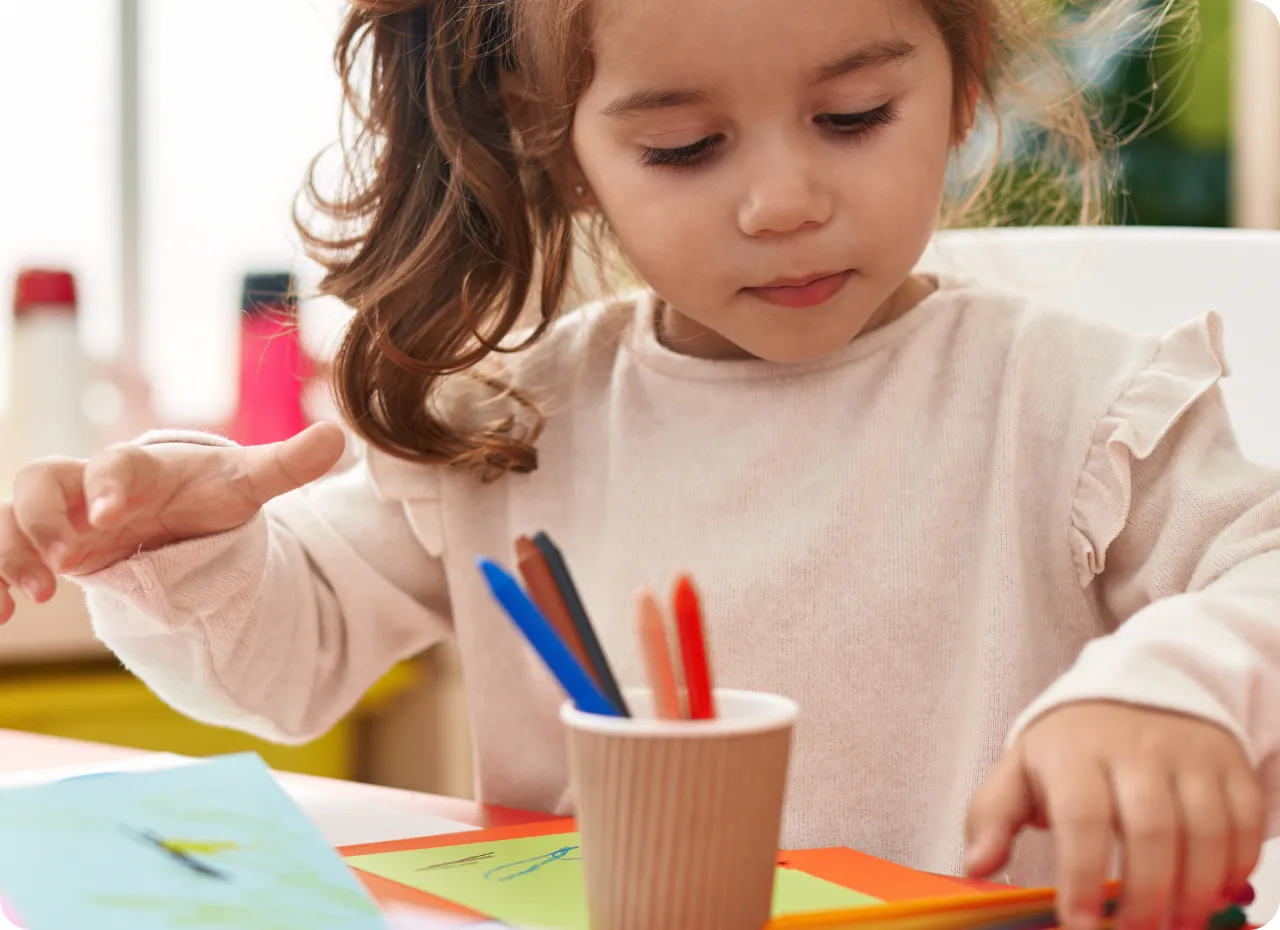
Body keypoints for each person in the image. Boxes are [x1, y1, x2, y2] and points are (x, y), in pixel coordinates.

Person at [3, 0, 1278, 927]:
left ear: (960, 82)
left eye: (851, 117)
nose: (781, 201)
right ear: (565, 153)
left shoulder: (1074, 399)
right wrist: (177, 536)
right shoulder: (512, 422)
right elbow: (280, 666)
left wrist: (1171, 689)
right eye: (682, 148)